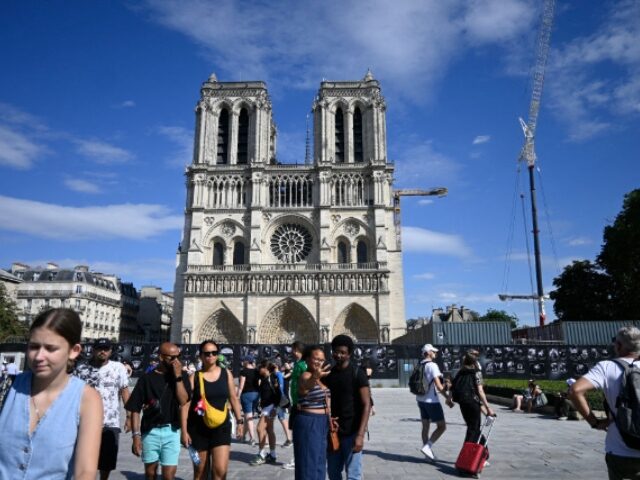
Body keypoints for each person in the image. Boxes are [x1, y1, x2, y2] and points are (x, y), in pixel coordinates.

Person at [0, 308, 103, 479]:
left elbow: (85, 471)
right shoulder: (9, 386)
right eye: (33, 347)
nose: (39, 356)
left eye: (50, 348)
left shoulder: (87, 399)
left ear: (74, 350)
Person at [570, 326, 640, 479]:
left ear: (619, 345)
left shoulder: (607, 367)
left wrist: (594, 422)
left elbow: (575, 391)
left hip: (620, 450)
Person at [125, 342, 192, 480]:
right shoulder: (146, 379)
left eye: (178, 357)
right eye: (172, 358)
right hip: (150, 431)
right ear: (161, 357)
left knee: (169, 476)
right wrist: (136, 436)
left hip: (172, 431)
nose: (176, 361)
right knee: (150, 474)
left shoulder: (182, 376)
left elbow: (183, 401)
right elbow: (135, 409)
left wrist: (178, 377)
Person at [182, 340, 244, 480]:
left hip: (221, 427)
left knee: (220, 471)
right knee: (200, 472)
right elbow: (185, 405)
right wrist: (184, 431)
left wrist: (240, 421)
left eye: (214, 353)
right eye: (207, 353)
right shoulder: (194, 377)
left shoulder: (225, 373)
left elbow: (233, 398)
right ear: (201, 356)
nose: (210, 356)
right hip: (198, 429)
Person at [74, 337, 131, 480]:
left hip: (110, 422)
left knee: (107, 462)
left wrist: (129, 417)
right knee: (85, 460)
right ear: (93, 350)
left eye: (106, 349)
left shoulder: (118, 368)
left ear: (111, 351)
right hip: (85, 423)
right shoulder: (81, 369)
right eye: (99, 349)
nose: (102, 352)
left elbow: (124, 391)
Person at [325, 334, 371, 480]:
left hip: (352, 432)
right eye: (336, 352)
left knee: (353, 474)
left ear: (349, 354)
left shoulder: (358, 374)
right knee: (333, 473)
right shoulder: (329, 374)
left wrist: (360, 435)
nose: (339, 355)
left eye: (343, 352)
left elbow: (366, 404)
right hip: (333, 433)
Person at [293, 345, 332, 480]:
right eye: (316, 359)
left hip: (323, 422)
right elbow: (305, 387)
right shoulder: (306, 375)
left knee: (319, 464)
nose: (319, 362)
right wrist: (316, 376)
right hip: (309, 421)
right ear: (308, 359)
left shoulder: (322, 378)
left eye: (322, 360)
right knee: (307, 464)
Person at [450, 351, 495, 447]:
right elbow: (480, 391)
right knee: (473, 429)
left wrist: (449, 398)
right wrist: (488, 407)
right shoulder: (477, 373)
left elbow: (453, 386)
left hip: (463, 403)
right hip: (473, 402)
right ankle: (466, 455)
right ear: (475, 361)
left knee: (473, 428)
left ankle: (483, 454)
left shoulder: (460, 372)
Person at [416, 343, 450, 462]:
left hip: (420, 399)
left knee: (425, 427)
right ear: (429, 352)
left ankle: (427, 455)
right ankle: (427, 447)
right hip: (431, 401)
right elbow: (439, 386)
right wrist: (447, 398)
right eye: (433, 351)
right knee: (442, 426)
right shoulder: (432, 365)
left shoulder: (420, 364)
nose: (435, 353)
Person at [250, 360, 281, 466]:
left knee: (259, 428)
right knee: (269, 430)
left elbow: (278, 394)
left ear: (266, 368)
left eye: (261, 367)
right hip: (266, 407)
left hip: (270, 407)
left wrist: (275, 408)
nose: (259, 369)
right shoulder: (263, 379)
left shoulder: (273, 378)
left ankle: (262, 454)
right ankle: (272, 455)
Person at [283, 340, 307, 470]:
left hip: (301, 403)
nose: (291, 352)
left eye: (293, 350)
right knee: (297, 433)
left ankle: (299, 459)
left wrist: (303, 400)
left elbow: (307, 383)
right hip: (296, 403)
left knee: (299, 434)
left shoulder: (303, 365)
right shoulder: (298, 364)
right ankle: (298, 458)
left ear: (297, 350)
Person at [237, 356, 259, 445]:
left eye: (244, 361)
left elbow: (241, 385)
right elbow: (259, 383)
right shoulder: (257, 371)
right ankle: (243, 436)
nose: (242, 362)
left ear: (247, 362)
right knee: (248, 416)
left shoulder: (244, 371)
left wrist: (237, 396)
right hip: (256, 394)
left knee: (249, 417)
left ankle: (252, 438)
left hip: (246, 395)